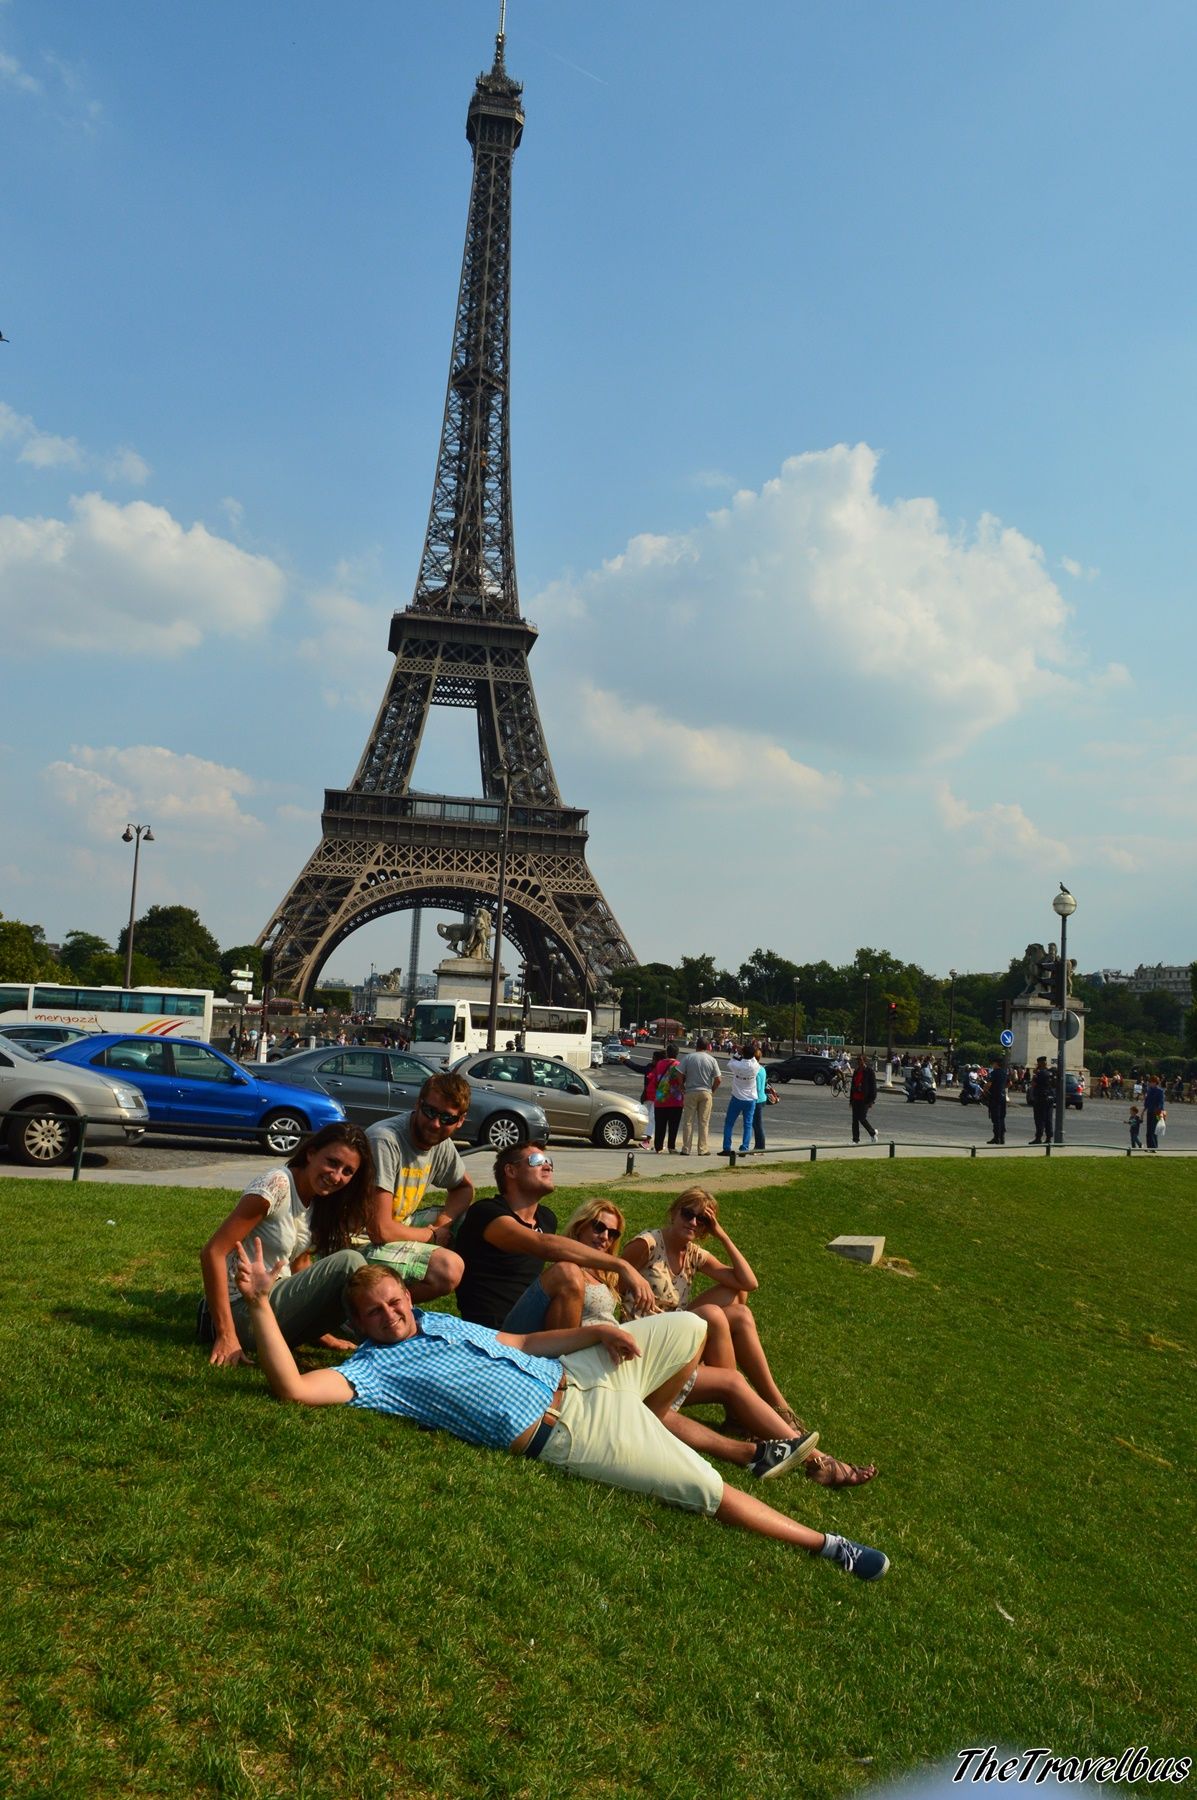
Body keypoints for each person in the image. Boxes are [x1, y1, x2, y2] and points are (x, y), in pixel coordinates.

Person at [233, 1241, 889, 1580]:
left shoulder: (438, 1321)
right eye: (375, 1313)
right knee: (701, 1488)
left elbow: (519, 1340)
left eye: (394, 1302)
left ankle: (658, 1417)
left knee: (693, 1326)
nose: (391, 1315)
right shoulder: (370, 1371)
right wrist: (263, 1305)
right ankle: (828, 1546)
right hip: (571, 1430)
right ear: (357, 1323)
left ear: (406, 1294)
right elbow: (293, 1388)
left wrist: (594, 1334)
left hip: (577, 1374)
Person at [549, 1199, 868, 1486]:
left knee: (736, 1327)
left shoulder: (606, 1272)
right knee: (716, 1321)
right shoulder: (574, 1272)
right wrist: (629, 1291)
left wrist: (720, 1233)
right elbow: (564, 1338)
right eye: (598, 1227)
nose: (604, 1237)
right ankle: (806, 1456)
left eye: (612, 1233)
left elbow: (748, 1283)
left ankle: (807, 1449)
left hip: (640, 1351)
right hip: (628, 1354)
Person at [199, 1121, 373, 1367]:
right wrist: (227, 1335)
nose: (336, 1177)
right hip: (245, 1309)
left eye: (347, 1171)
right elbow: (213, 1252)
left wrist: (324, 1336)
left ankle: (385, 1345)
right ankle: (381, 1349)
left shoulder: (318, 1200)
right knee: (351, 1262)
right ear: (311, 1153)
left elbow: (300, 1262)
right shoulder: (277, 1185)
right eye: (332, 1162)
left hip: (273, 1305)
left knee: (362, 1275)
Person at [454, 1142, 659, 1330]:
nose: (548, 1167)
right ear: (511, 1170)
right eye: (537, 1161)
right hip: (495, 1329)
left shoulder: (545, 1219)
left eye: (549, 1162)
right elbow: (543, 1245)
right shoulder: (487, 1212)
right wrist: (622, 1265)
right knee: (566, 1273)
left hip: (534, 1320)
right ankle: (565, 1363)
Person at [364, 1073, 474, 1302]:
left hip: (398, 1226)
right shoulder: (384, 1140)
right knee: (448, 1269)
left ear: (460, 1120)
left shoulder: (440, 1142)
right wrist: (432, 1235)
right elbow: (379, 1230)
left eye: (446, 1118)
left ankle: (486, 1314)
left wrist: (444, 1222)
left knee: (476, 1222)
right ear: (418, 1104)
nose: (435, 1124)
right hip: (358, 1242)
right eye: (430, 1112)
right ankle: (362, 1311)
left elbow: (464, 1188)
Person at [679, 1037, 721, 1154]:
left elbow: (679, 1073)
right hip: (706, 1092)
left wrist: (681, 1085)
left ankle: (686, 1148)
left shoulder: (688, 1058)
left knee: (688, 1121)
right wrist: (712, 1090)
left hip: (691, 1091)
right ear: (707, 1047)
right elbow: (718, 1079)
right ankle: (702, 1149)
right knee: (703, 1122)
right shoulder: (711, 1060)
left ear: (696, 1046)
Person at [722, 1044, 759, 1156]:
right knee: (748, 1124)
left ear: (743, 1053)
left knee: (729, 1123)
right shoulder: (755, 1066)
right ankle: (744, 1148)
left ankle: (727, 1147)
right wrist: (744, 1050)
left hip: (737, 1096)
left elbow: (731, 1062)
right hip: (751, 1098)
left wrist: (738, 1052)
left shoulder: (738, 1065)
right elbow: (752, 1057)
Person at [651, 1041, 686, 1154]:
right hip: (676, 1100)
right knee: (673, 1125)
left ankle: (658, 1146)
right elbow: (683, 1080)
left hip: (661, 1098)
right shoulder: (679, 1065)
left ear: (667, 1053)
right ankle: (671, 1146)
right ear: (677, 1053)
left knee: (660, 1125)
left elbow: (655, 1079)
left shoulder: (659, 1064)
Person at [849, 1053, 879, 1144]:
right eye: (858, 1060)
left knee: (862, 1118)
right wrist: (851, 1100)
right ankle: (855, 1140)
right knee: (855, 1120)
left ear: (864, 1061)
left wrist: (871, 1101)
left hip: (864, 1099)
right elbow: (853, 1086)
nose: (859, 1062)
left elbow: (873, 1087)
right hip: (856, 1098)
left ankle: (873, 1133)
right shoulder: (856, 1071)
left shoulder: (869, 1071)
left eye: (861, 1060)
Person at [1028, 1056, 1054, 1144]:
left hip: (1041, 1097)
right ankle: (1049, 1138)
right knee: (1048, 1118)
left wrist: (1035, 1073)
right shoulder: (1050, 1072)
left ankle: (1038, 1138)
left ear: (1039, 1063)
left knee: (1039, 1118)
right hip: (1050, 1097)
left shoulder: (1039, 1073)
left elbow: (1033, 1084)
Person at [984, 1054, 1008, 1145]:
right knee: (1002, 1118)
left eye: (993, 1063)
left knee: (996, 1118)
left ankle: (996, 1138)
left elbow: (989, 1084)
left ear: (996, 1064)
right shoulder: (1004, 1073)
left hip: (995, 1097)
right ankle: (1002, 1138)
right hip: (1002, 1097)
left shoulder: (994, 1073)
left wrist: (985, 1090)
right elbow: (1009, 1083)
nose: (992, 1065)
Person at [1143, 1075, 1166, 1153]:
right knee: (1148, 1130)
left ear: (1155, 1083)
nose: (1149, 1083)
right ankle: (1150, 1146)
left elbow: (1161, 1102)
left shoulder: (1160, 1091)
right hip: (1150, 1111)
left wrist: (1160, 1111)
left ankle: (1154, 1147)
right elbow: (1147, 1101)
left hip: (1156, 1112)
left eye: (1151, 1082)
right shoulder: (1149, 1090)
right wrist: (1143, 1110)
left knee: (1153, 1130)